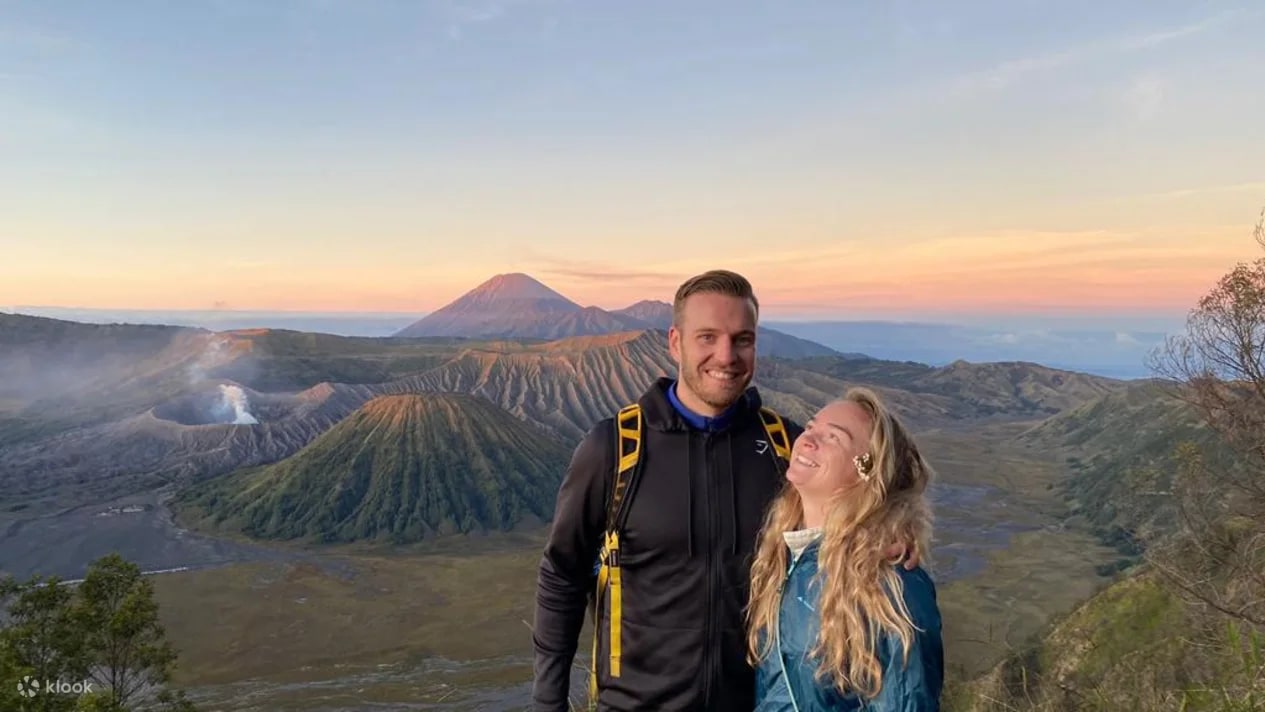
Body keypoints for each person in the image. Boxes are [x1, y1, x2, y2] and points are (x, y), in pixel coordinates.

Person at [531, 269, 920, 711]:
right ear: (675, 342)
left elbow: (866, 482)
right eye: (707, 337)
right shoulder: (616, 448)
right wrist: (549, 702)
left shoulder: (783, 448)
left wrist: (890, 526)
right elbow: (562, 574)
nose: (726, 355)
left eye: (742, 339)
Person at [747, 387, 943, 711]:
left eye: (833, 438)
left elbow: (907, 700)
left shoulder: (892, 586)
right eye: (810, 428)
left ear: (866, 470)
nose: (807, 440)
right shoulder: (787, 558)